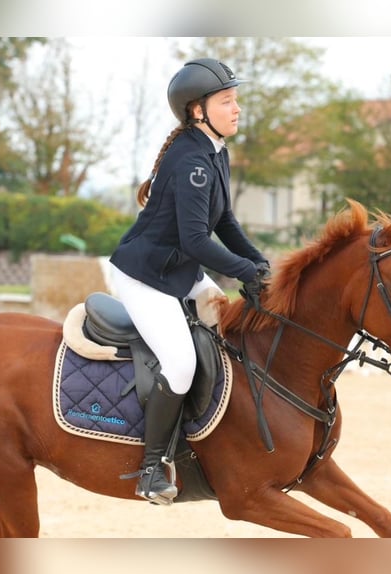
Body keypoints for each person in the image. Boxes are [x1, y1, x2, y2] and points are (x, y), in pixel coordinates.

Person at [109, 57, 270, 505]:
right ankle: (150, 468)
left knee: (228, 329)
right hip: (146, 277)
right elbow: (197, 240)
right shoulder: (191, 162)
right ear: (198, 110)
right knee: (180, 363)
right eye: (227, 101)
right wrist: (243, 272)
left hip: (179, 271)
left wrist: (260, 264)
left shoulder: (216, 152)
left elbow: (226, 222)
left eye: (236, 99)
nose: (237, 108)